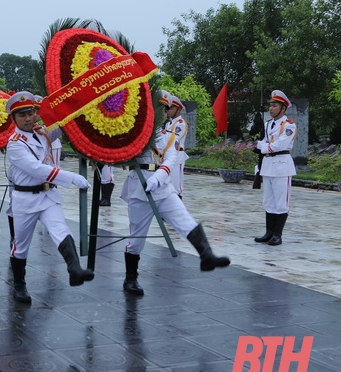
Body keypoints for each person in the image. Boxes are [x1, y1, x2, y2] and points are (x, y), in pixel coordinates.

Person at [119, 92, 231, 296]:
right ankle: (131, 278)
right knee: (137, 239)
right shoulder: (134, 134)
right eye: (157, 109)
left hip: (162, 188)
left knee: (185, 220)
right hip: (139, 188)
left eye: (164, 110)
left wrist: (158, 177)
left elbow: (171, 159)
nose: (161, 113)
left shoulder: (170, 137)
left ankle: (207, 255)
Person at [5, 91, 94, 303]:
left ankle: (74, 269)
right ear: (14, 119)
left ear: (36, 113)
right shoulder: (15, 143)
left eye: (30, 113)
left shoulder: (40, 133)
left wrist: (77, 106)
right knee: (21, 246)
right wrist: (71, 177)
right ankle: (19, 285)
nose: (27, 118)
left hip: (48, 195)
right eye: (22, 115)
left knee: (60, 229)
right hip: (25, 199)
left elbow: (61, 127)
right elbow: (35, 169)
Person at [254, 90, 297, 246]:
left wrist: (263, 147)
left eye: (274, 106)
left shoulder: (289, 125)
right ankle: (269, 232)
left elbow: (280, 145)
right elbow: (266, 143)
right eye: (270, 105)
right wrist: (264, 148)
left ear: (283, 108)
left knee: (281, 202)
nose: (271, 108)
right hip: (268, 165)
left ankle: (278, 234)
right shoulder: (268, 124)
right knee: (269, 201)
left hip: (281, 165)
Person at [160, 91, 189, 197]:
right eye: (168, 108)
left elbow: (172, 139)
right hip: (169, 156)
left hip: (177, 157)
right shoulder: (169, 123)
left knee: (177, 185)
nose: (169, 111)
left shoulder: (181, 124)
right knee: (169, 183)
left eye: (172, 108)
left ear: (179, 109)